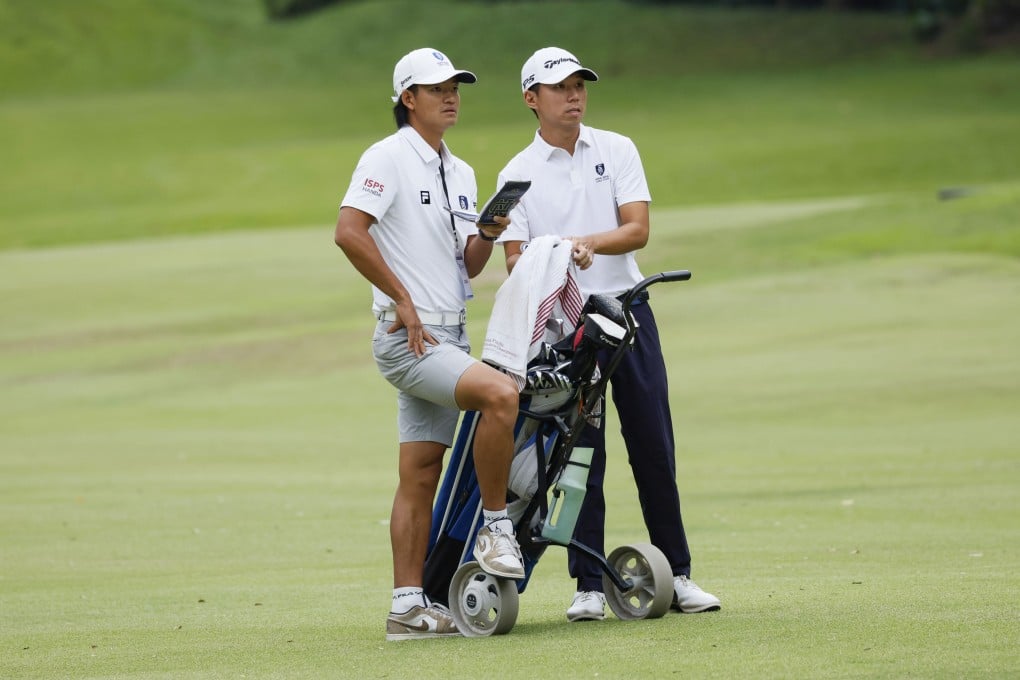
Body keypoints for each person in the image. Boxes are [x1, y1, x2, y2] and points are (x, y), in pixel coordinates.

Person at [496, 47, 721, 622]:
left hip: (629, 313)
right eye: (559, 87)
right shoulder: (516, 174)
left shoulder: (617, 148)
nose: (573, 95)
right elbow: (516, 259)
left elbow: (637, 229)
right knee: (579, 456)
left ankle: (679, 572)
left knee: (653, 443)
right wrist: (560, 253)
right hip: (571, 330)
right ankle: (588, 585)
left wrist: (584, 244)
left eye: (579, 85)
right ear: (531, 99)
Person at [334, 47, 525, 641]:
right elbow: (348, 231)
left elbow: (465, 266)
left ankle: (407, 608)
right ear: (406, 99)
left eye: (456, 87)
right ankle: (497, 527)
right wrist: (402, 297)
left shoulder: (461, 171)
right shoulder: (386, 158)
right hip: (407, 337)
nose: (451, 96)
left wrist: (489, 234)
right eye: (436, 87)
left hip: (447, 331)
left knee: (420, 473)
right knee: (500, 395)